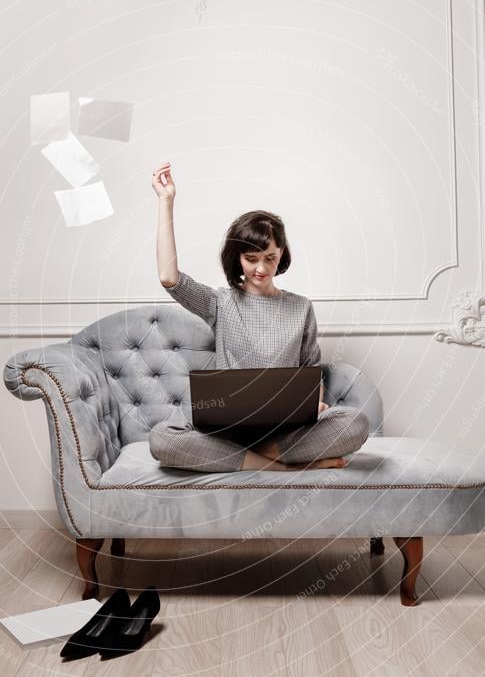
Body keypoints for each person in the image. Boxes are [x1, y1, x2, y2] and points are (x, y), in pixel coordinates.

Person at [147, 160, 369, 473]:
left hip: (285, 432)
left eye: (270, 258)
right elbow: (169, 277)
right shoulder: (220, 303)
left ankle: (260, 458)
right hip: (228, 435)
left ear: (282, 255)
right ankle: (283, 468)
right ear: (237, 258)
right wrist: (166, 201)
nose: (261, 268)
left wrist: (314, 405)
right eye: (251, 259)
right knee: (162, 439)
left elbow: (310, 371)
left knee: (355, 423)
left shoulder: (301, 308)